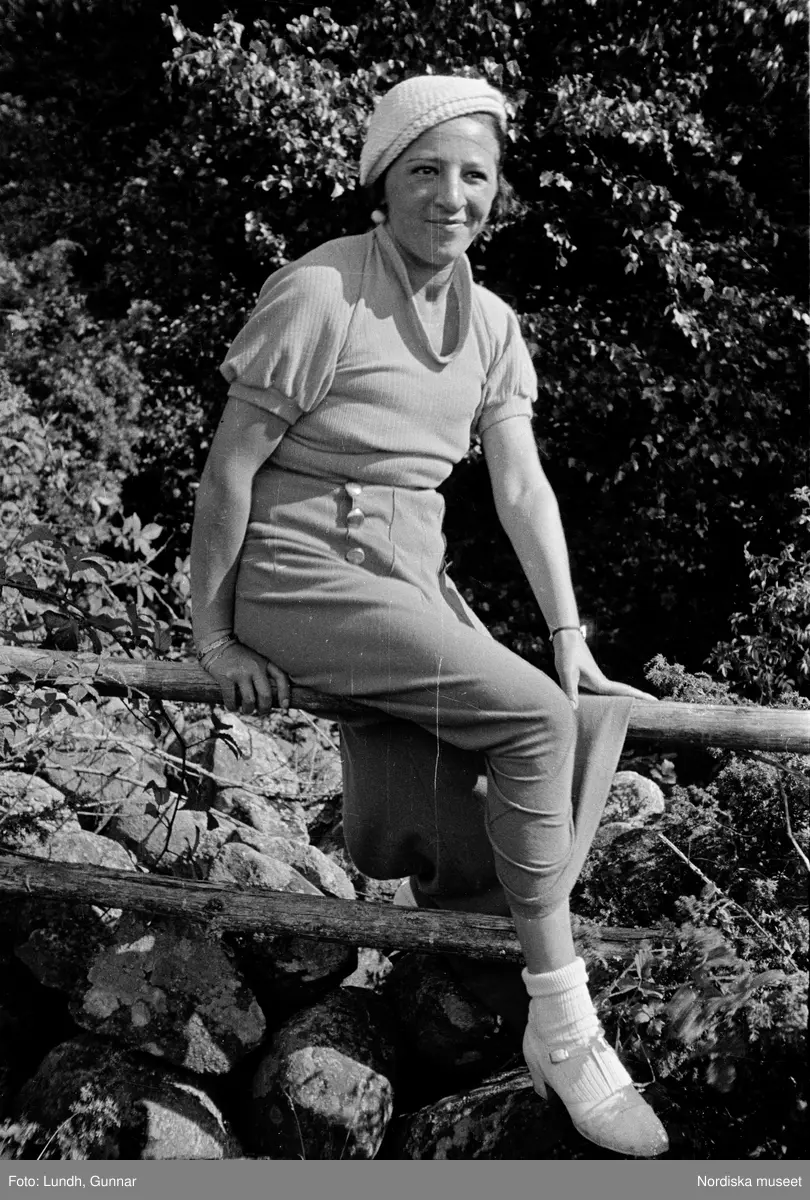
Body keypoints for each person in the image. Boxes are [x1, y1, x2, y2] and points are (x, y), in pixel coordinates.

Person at [190, 73, 668, 1158]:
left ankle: (479, 964)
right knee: (535, 721)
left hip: (408, 580)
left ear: (496, 191)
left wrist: (569, 636)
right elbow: (229, 472)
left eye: (474, 176)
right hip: (303, 574)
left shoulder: (493, 324)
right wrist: (214, 635)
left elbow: (521, 487)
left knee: (554, 729)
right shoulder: (320, 292)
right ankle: (566, 1027)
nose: (451, 196)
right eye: (425, 171)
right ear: (382, 180)